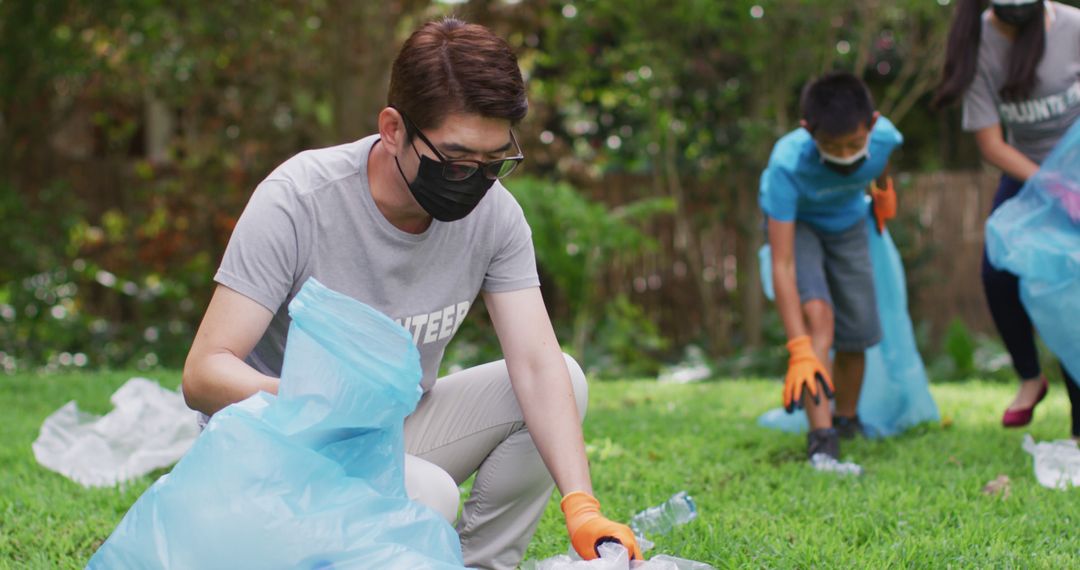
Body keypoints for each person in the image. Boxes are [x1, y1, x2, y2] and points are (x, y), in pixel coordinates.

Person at [181, 18, 640, 568]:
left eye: (493, 163)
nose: (474, 179)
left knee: (564, 376)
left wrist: (582, 505)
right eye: (454, 160)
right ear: (394, 128)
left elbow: (537, 366)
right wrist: (323, 401)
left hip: (383, 434)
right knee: (430, 494)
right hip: (276, 445)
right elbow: (204, 374)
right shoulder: (300, 199)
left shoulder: (494, 216)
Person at [933, 0, 1080, 439]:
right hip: (1029, 172)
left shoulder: (1073, 26)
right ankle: (1030, 376)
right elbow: (992, 145)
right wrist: (1055, 188)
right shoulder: (975, 42)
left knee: (1069, 286)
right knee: (997, 271)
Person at [759, 72, 904, 467]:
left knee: (857, 331)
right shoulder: (786, 166)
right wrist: (798, 348)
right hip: (799, 226)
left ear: (871, 125)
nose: (843, 156)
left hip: (849, 224)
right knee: (818, 319)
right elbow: (783, 263)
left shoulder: (885, 138)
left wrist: (883, 190)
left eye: (854, 145)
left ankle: (846, 420)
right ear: (808, 131)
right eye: (831, 147)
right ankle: (821, 438)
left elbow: (880, 163)